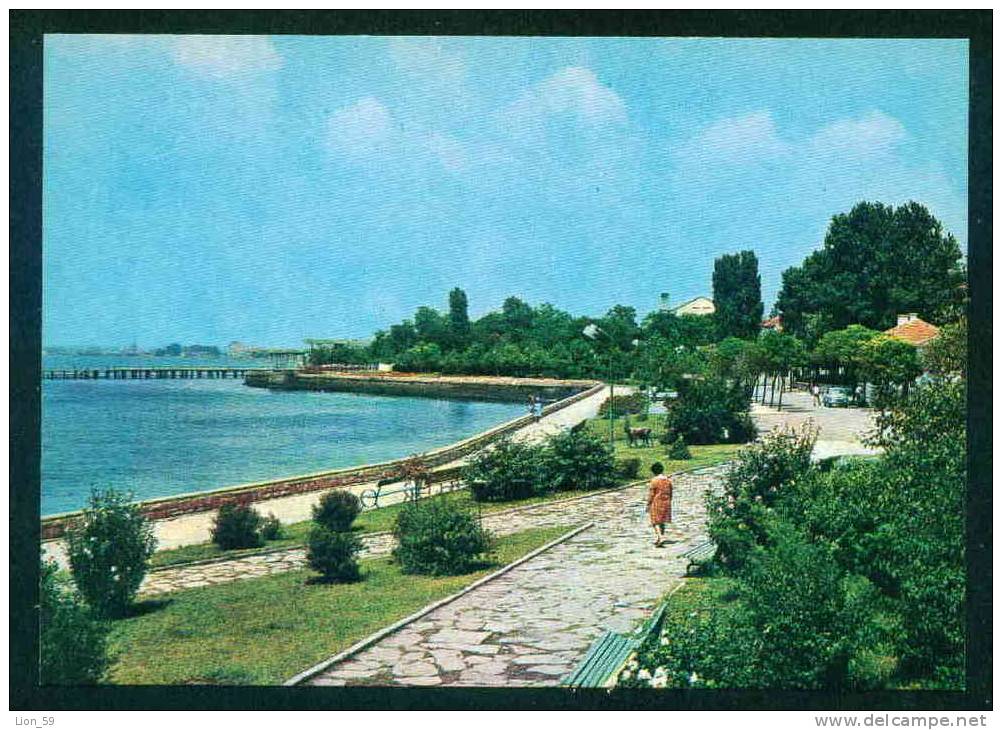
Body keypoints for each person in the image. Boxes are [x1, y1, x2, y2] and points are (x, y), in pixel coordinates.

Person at [646, 462, 673, 547]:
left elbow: (651, 494)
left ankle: (660, 537)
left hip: (656, 502)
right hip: (666, 501)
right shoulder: (668, 480)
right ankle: (660, 537)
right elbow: (671, 491)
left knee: (655, 521)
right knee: (662, 520)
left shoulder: (654, 481)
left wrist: (648, 504)